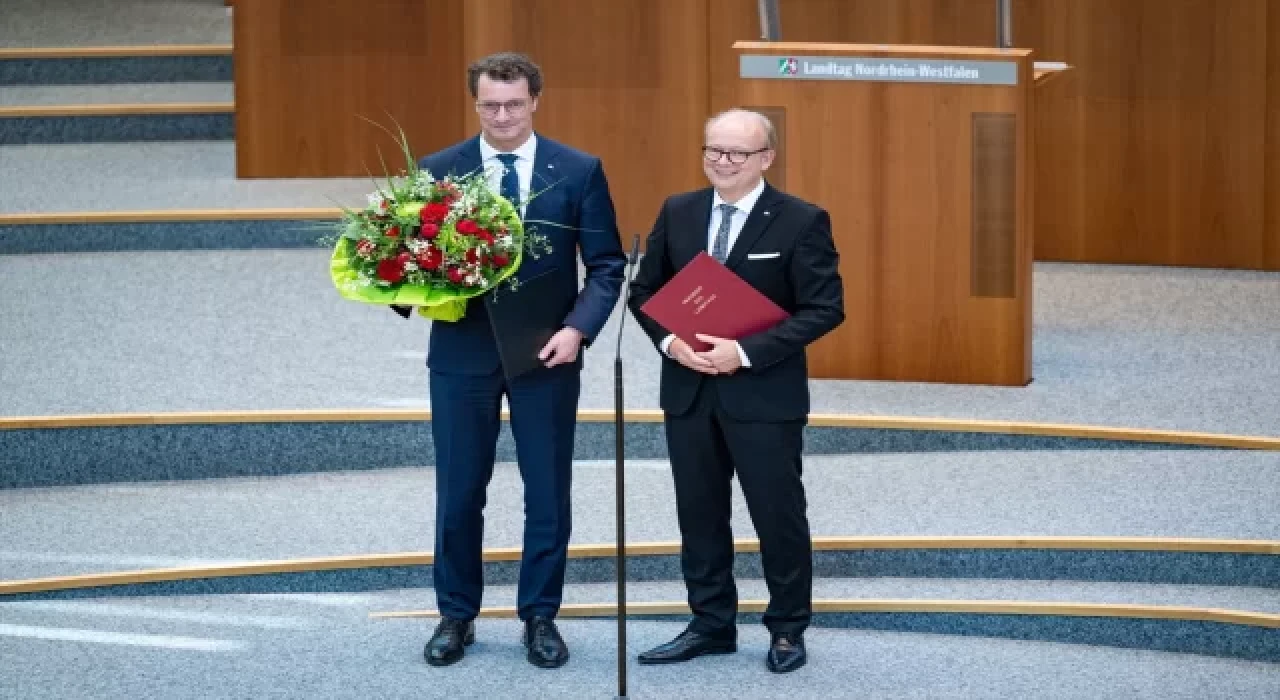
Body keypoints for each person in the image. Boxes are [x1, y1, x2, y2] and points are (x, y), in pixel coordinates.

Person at [413, 52, 626, 669]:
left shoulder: (580, 171)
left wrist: (577, 331)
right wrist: (405, 284)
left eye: (512, 103)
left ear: (535, 100)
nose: (502, 116)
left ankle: (540, 616)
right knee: (457, 491)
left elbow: (608, 266)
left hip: (548, 354)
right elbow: (415, 258)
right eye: (488, 105)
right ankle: (456, 615)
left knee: (547, 492)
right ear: (474, 103)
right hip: (462, 352)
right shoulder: (438, 170)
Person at [626, 108, 844, 673]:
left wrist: (743, 352)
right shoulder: (680, 210)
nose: (722, 162)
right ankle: (711, 623)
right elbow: (645, 292)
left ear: (765, 159)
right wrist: (672, 344)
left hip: (764, 396)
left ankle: (788, 628)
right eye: (713, 151)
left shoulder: (801, 220)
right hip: (688, 390)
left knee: (777, 515)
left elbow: (824, 309)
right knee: (698, 513)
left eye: (736, 154)